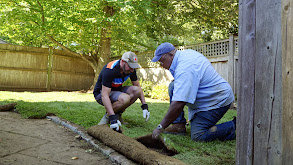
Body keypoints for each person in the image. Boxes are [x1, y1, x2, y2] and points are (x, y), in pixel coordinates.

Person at [151, 42, 236, 142]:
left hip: (217, 100)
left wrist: (160, 127)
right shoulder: (184, 56)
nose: (161, 65)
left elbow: (178, 103)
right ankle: (178, 125)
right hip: (209, 97)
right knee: (173, 86)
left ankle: (236, 125)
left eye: (162, 61)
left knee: (198, 135)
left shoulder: (185, 68)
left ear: (171, 55)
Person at [93, 51, 150, 132]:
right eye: (130, 66)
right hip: (101, 93)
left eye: (133, 67)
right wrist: (112, 118)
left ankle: (117, 115)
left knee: (137, 90)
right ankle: (109, 116)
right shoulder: (110, 69)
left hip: (116, 90)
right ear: (123, 62)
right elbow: (104, 95)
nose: (132, 69)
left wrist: (144, 106)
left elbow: (138, 87)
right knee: (125, 98)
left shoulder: (131, 70)